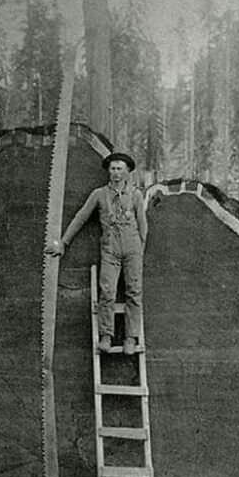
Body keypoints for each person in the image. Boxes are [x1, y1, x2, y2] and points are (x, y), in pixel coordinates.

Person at [49, 151, 147, 355]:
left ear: (127, 171)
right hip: (110, 250)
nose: (116, 173)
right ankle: (106, 336)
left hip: (132, 249)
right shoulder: (99, 194)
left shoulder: (136, 195)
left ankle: (130, 337)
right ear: (108, 171)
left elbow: (143, 227)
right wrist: (63, 243)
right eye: (112, 168)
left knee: (134, 292)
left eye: (120, 168)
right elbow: (80, 218)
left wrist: (139, 252)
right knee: (107, 292)